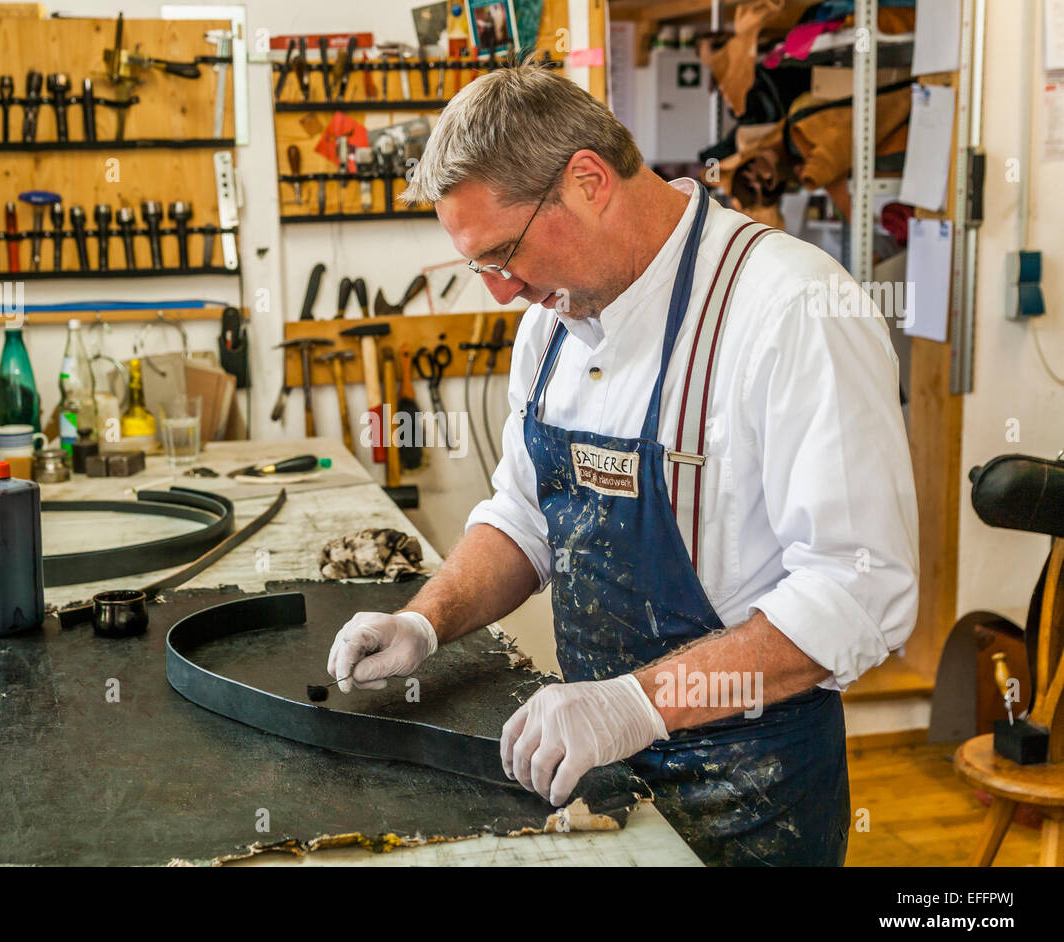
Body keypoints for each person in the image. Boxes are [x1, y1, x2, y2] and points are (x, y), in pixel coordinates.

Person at [325, 61, 919, 866]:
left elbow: (860, 590)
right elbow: (525, 520)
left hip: (750, 785)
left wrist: (635, 703)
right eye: (481, 267)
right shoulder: (550, 324)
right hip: (594, 771)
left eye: (503, 253)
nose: (500, 292)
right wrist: (425, 620)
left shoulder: (792, 312)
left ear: (589, 180)